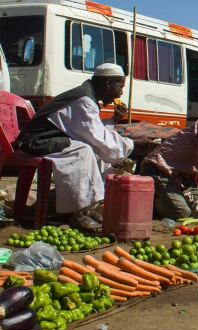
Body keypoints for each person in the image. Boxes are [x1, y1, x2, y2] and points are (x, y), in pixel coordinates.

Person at [15, 63, 133, 232]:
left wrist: (113, 120)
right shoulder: (84, 100)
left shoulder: (87, 97)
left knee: (90, 150)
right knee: (82, 151)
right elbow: (98, 138)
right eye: (120, 86)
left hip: (47, 140)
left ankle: (86, 207)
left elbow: (90, 131)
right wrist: (131, 144)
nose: (121, 92)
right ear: (108, 83)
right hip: (33, 143)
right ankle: (77, 212)